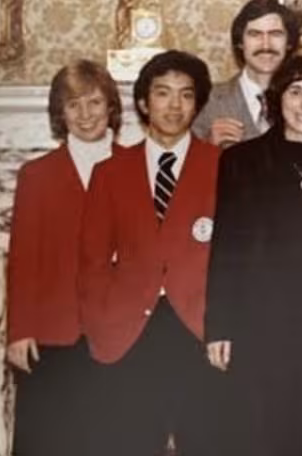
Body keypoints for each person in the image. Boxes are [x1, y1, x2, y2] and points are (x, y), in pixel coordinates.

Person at [205, 55, 302, 456]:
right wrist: (219, 325)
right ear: (277, 99)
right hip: (261, 327)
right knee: (262, 436)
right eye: (295, 92)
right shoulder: (241, 161)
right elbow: (227, 247)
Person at [78, 50, 221, 456]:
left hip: (198, 329)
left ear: (198, 104)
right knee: (133, 440)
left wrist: (226, 328)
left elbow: (236, 260)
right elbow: (91, 262)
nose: (174, 106)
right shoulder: (110, 174)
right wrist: (99, 328)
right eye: (163, 93)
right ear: (143, 102)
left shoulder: (224, 166)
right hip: (129, 331)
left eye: (186, 95)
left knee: (205, 439)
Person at [6, 60, 124, 456]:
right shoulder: (36, 176)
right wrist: (19, 330)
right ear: (60, 113)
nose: (86, 115)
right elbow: (22, 258)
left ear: (111, 106)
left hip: (119, 335)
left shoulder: (136, 167)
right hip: (53, 335)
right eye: (73, 105)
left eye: (94, 102)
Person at [192, 0, 301, 147]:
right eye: (255, 34)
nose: (265, 44)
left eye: (275, 34)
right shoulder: (206, 101)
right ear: (240, 43)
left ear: (289, 43)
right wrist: (208, 148)